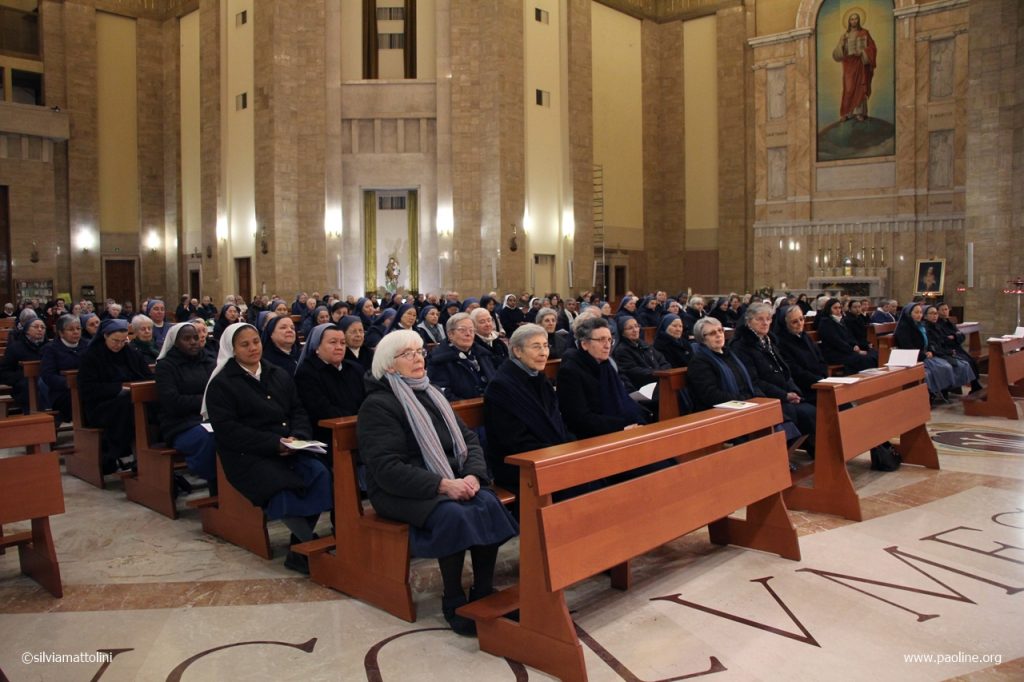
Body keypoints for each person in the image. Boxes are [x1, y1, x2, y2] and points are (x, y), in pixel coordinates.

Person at [357, 329, 518, 636]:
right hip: (398, 489)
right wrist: (443, 485)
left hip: (449, 477)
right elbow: (387, 467)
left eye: (420, 352)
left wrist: (473, 475)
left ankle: (483, 590)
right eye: (408, 354)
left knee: (486, 501)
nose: (418, 358)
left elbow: (469, 440)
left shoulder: (432, 393)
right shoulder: (378, 405)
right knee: (452, 513)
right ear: (389, 365)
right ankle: (453, 598)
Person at [202, 322, 332, 574]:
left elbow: (297, 409)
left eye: (256, 342)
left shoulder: (277, 373)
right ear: (232, 349)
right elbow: (229, 430)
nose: (253, 348)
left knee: (320, 474)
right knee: (280, 486)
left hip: (289, 447)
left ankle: (299, 545)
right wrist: (274, 444)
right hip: (248, 455)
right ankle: (308, 543)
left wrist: (299, 436)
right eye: (245, 344)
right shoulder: (222, 384)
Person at [482, 324, 573, 498]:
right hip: (519, 466)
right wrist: (558, 453)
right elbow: (514, 441)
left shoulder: (540, 379)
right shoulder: (501, 387)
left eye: (545, 346)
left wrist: (566, 449)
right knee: (578, 486)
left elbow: (558, 423)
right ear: (517, 351)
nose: (544, 353)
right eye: (536, 347)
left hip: (549, 456)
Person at [729, 303, 816, 447]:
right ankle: (785, 453)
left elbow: (784, 371)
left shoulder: (769, 340)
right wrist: (784, 395)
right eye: (759, 319)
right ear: (749, 321)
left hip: (783, 393)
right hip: (765, 397)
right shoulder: (741, 346)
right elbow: (753, 381)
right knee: (804, 413)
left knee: (811, 410)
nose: (765, 323)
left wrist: (793, 390)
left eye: (768, 319)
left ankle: (816, 453)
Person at [77, 318, 153, 472]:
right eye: (115, 341)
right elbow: (87, 388)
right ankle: (123, 453)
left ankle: (151, 453)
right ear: (105, 336)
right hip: (101, 406)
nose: (119, 345)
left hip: (132, 399)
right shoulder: (91, 356)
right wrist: (119, 388)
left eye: (123, 341)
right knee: (127, 406)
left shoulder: (131, 353)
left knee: (150, 404)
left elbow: (147, 376)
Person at [556, 316, 647, 438]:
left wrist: (637, 421)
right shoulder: (570, 371)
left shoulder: (606, 365)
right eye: (601, 340)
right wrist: (622, 427)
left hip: (618, 430)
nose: (607, 345)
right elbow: (578, 419)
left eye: (609, 340)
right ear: (584, 344)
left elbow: (623, 400)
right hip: (592, 438)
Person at [156, 322, 218, 492]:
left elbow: (220, 391)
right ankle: (216, 485)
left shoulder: (208, 361)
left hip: (210, 419)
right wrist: (206, 401)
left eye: (196, 338)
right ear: (175, 342)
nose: (193, 342)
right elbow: (172, 402)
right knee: (210, 438)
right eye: (187, 339)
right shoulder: (166, 366)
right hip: (180, 425)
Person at [294, 323, 366, 460]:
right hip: (328, 437)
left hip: (361, 430)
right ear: (317, 347)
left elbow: (367, 400)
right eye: (333, 342)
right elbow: (320, 410)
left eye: (342, 343)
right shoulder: (307, 373)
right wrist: (357, 419)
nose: (339, 347)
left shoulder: (355, 369)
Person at [687, 317, 761, 413]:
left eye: (720, 330)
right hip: (718, 412)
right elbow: (711, 395)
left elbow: (749, 381)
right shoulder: (699, 362)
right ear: (702, 339)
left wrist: (756, 397)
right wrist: (744, 399)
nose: (718, 335)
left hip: (743, 403)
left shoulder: (730, 354)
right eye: (712, 333)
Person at [893, 302, 957, 402]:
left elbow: (928, 341)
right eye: (916, 312)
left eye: (920, 312)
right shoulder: (903, 328)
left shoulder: (920, 325)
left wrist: (930, 351)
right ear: (909, 314)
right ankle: (929, 397)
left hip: (924, 355)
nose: (919, 315)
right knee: (929, 373)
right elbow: (908, 347)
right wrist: (924, 354)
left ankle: (941, 392)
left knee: (946, 366)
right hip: (912, 358)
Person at [426, 313, 497, 400]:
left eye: (471, 330)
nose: (468, 334)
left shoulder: (483, 354)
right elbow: (442, 393)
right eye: (462, 330)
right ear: (450, 334)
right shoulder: (438, 359)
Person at [773, 305, 828, 399]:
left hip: (820, 381)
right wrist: (818, 380)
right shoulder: (780, 343)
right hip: (803, 388)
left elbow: (820, 358)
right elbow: (794, 371)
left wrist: (824, 376)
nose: (800, 324)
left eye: (801, 319)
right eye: (794, 322)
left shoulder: (805, 336)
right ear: (785, 324)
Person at [832, 12, 876, 122]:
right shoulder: (845, 36)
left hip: (860, 63)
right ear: (849, 21)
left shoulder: (864, 33)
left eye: (856, 19)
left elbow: (872, 48)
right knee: (848, 88)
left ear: (859, 20)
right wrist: (842, 44)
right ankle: (847, 112)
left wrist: (863, 52)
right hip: (849, 64)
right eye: (852, 19)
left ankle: (859, 112)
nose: (854, 21)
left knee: (860, 87)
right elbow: (837, 54)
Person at [40, 314, 85, 422]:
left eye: (78, 328)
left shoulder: (88, 345)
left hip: (86, 387)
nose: (76, 332)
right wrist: (70, 383)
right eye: (71, 329)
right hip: (62, 392)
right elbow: (48, 375)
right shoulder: (50, 349)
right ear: (61, 333)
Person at [923, 305, 977, 393]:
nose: (934, 316)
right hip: (942, 351)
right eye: (932, 313)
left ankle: (972, 387)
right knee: (952, 366)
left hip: (950, 349)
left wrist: (955, 337)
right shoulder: (930, 327)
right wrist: (949, 350)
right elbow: (939, 343)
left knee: (967, 363)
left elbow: (961, 336)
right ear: (925, 316)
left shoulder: (946, 323)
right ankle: (944, 391)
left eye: (935, 313)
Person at [0, 317, 48, 412]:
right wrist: (23, 375)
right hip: (23, 385)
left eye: (43, 327)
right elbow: (4, 373)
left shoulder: (49, 347)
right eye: (36, 327)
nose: (40, 329)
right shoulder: (15, 347)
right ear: (27, 330)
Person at [816, 298, 877, 372]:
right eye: (835, 308)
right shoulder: (826, 322)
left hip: (845, 350)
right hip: (834, 353)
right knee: (864, 359)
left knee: (873, 354)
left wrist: (854, 345)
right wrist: (852, 350)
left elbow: (849, 336)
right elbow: (836, 341)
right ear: (829, 309)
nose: (838, 310)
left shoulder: (840, 320)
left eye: (839, 308)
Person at [613, 316, 670, 392]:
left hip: (658, 382)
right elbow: (634, 371)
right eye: (630, 328)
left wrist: (660, 373)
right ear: (622, 332)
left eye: (636, 326)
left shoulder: (645, 345)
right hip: (642, 389)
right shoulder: (621, 350)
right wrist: (657, 373)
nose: (635, 330)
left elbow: (663, 361)